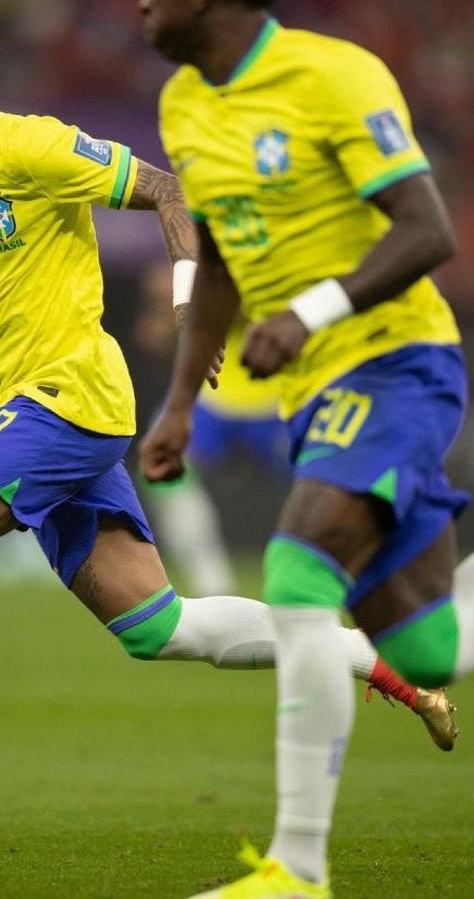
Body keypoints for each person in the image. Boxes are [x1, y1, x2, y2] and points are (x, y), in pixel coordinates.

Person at [0, 0, 457, 857]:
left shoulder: (33, 145)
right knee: (159, 627)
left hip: (69, 395)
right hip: (30, 408)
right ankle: (378, 660)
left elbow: (168, 188)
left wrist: (191, 308)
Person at [139, 2, 474, 896]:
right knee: (432, 647)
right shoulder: (183, 102)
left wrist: (310, 311)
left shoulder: (334, 76)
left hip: (398, 362)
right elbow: (215, 263)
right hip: (314, 391)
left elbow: (428, 229)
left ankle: (298, 870)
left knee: (296, 570)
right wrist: (177, 403)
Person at [134, 258, 288, 594]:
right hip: (213, 392)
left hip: (282, 395)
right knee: (162, 460)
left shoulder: (286, 235)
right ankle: (211, 583)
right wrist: (171, 306)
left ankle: (326, 577)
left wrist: (194, 294)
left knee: (328, 481)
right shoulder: (212, 227)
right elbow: (159, 326)